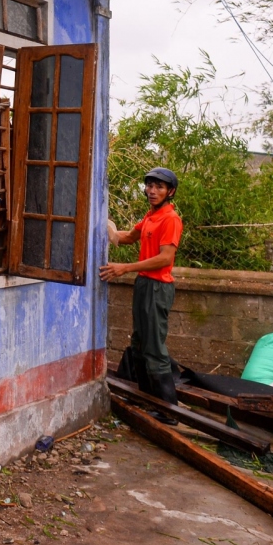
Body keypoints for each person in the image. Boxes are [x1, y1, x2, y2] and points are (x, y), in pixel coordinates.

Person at [100, 167, 183, 414]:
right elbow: (126, 237)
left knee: (154, 347)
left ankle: (168, 410)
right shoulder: (150, 217)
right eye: (149, 186)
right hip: (144, 284)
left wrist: (125, 267)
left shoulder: (170, 219)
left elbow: (165, 258)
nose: (152, 191)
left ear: (170, 192)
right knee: (139, 342)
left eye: (159, 187)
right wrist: (103, 224)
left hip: (158, 287)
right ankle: (148, 399)